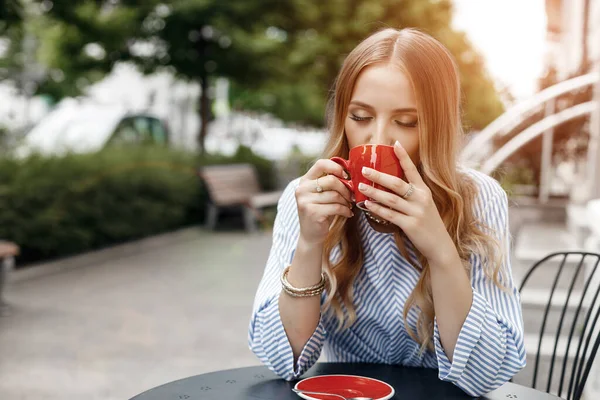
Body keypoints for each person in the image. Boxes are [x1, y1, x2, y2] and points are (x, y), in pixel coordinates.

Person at [248, 27, 526, 397]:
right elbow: (283, 360)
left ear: (436, 126)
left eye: (406, 122)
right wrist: (310, 244)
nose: (377, 139)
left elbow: (488, 374)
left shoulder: (477, 198)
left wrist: (440, 251)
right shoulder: (308, 196)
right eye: (360, 117)